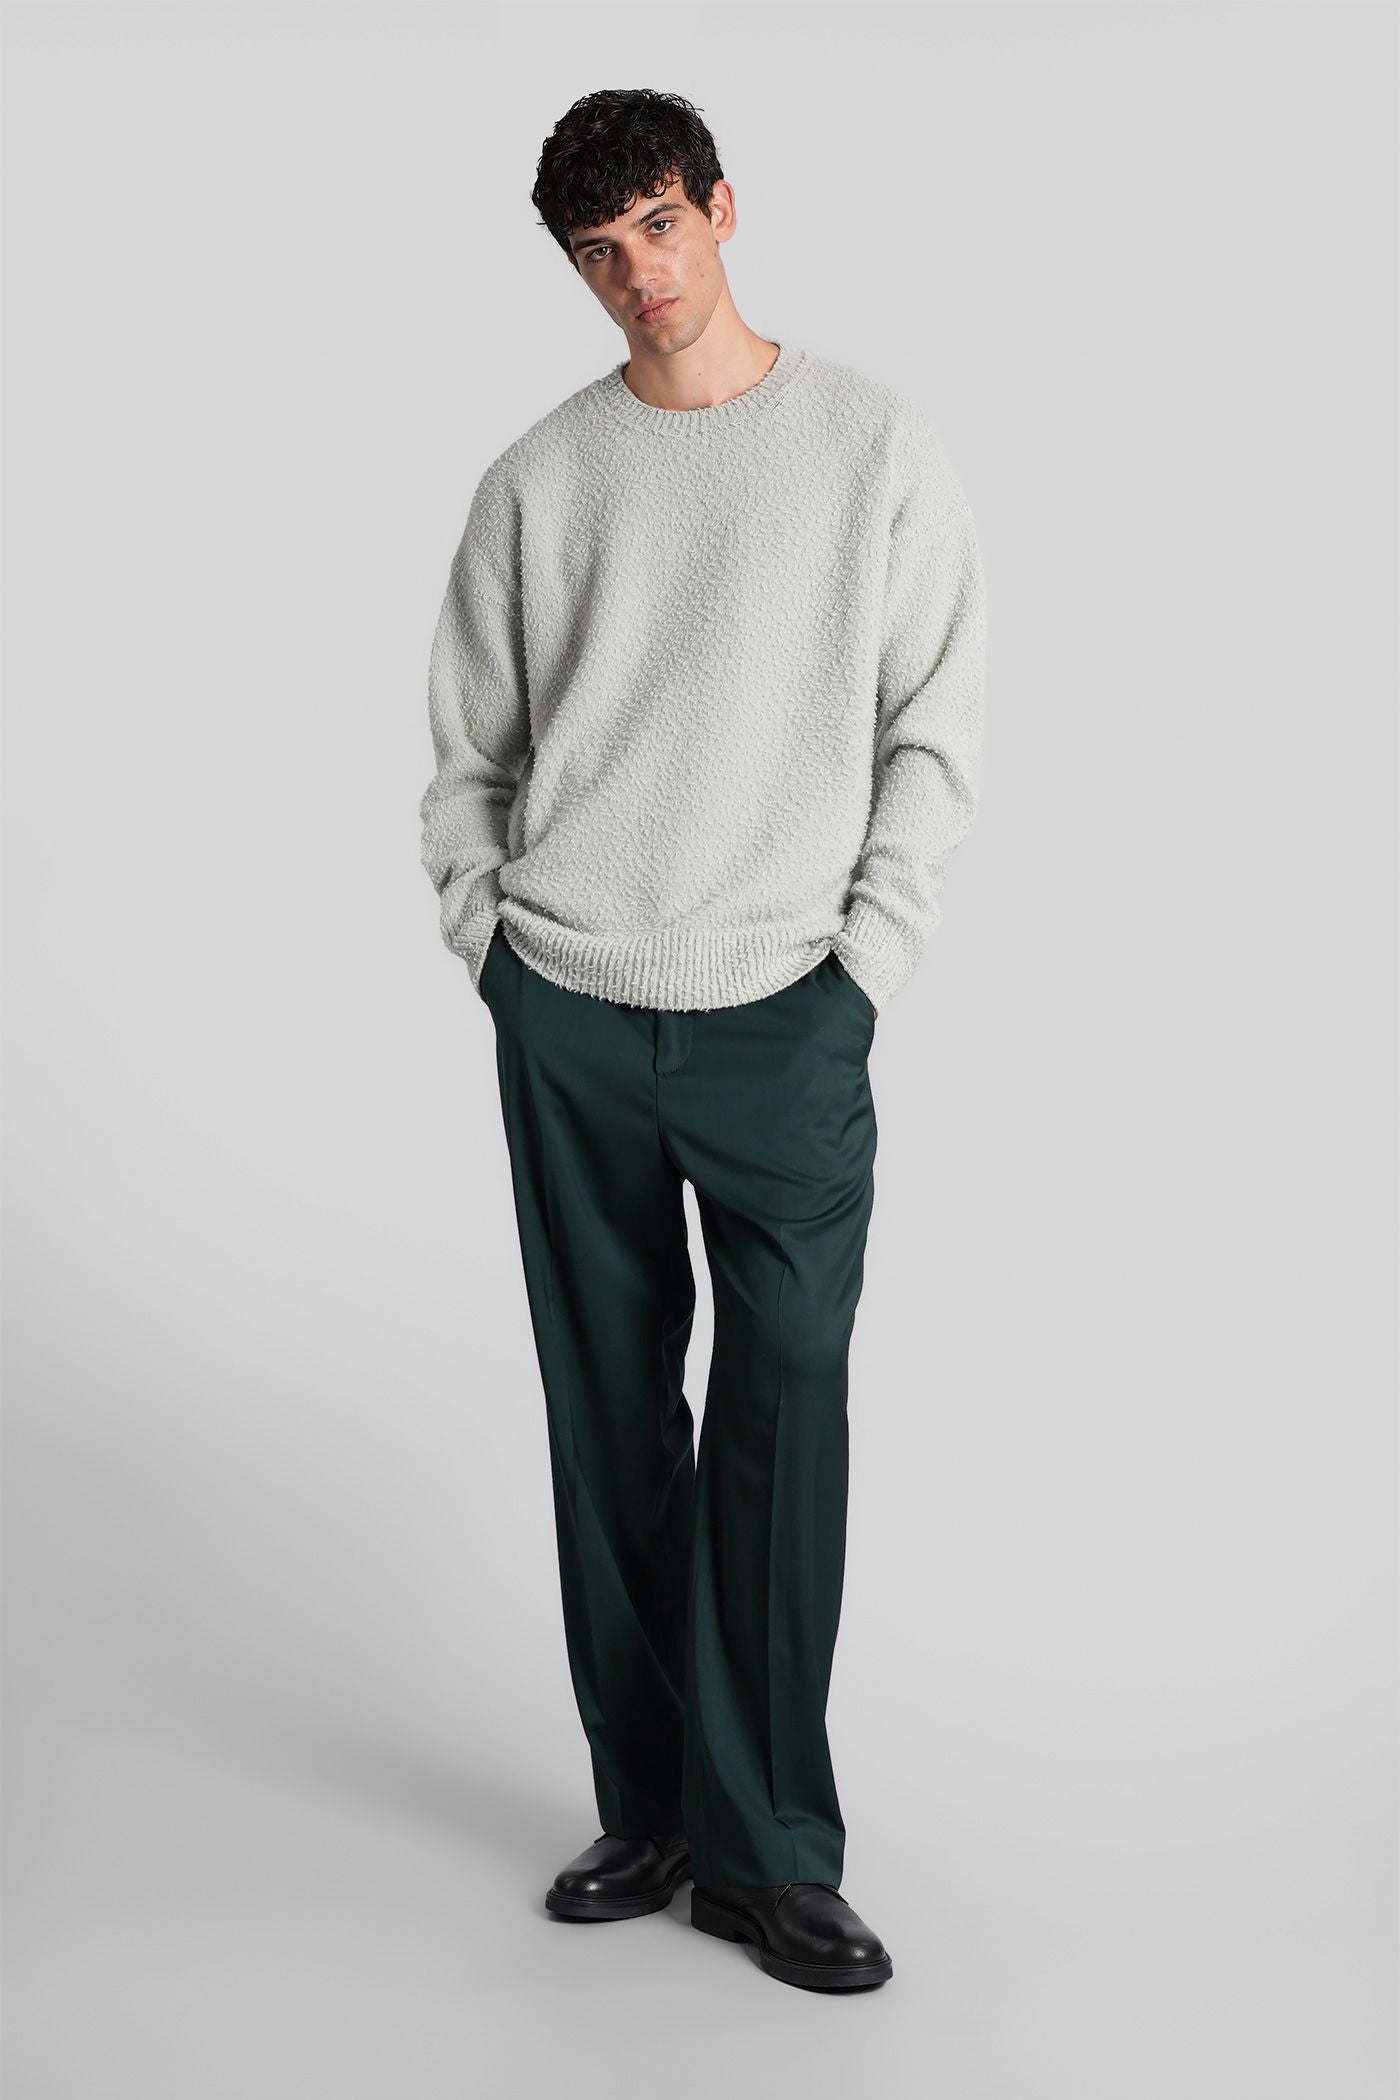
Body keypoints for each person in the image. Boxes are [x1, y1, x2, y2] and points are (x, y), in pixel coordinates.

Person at [419, 87, 986, 1993]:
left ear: (724, 210)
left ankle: (771, 1852)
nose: (638, 277)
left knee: (784, 1405)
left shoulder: (870, 445)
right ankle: (653, 1805)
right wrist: (494, 947)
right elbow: (469, 758)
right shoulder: (537, 482)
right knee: (608, 1417)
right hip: (571, 1000)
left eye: (660, 227)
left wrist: (863, 965)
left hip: (784, 1011)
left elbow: (933, 728)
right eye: (599, 253)